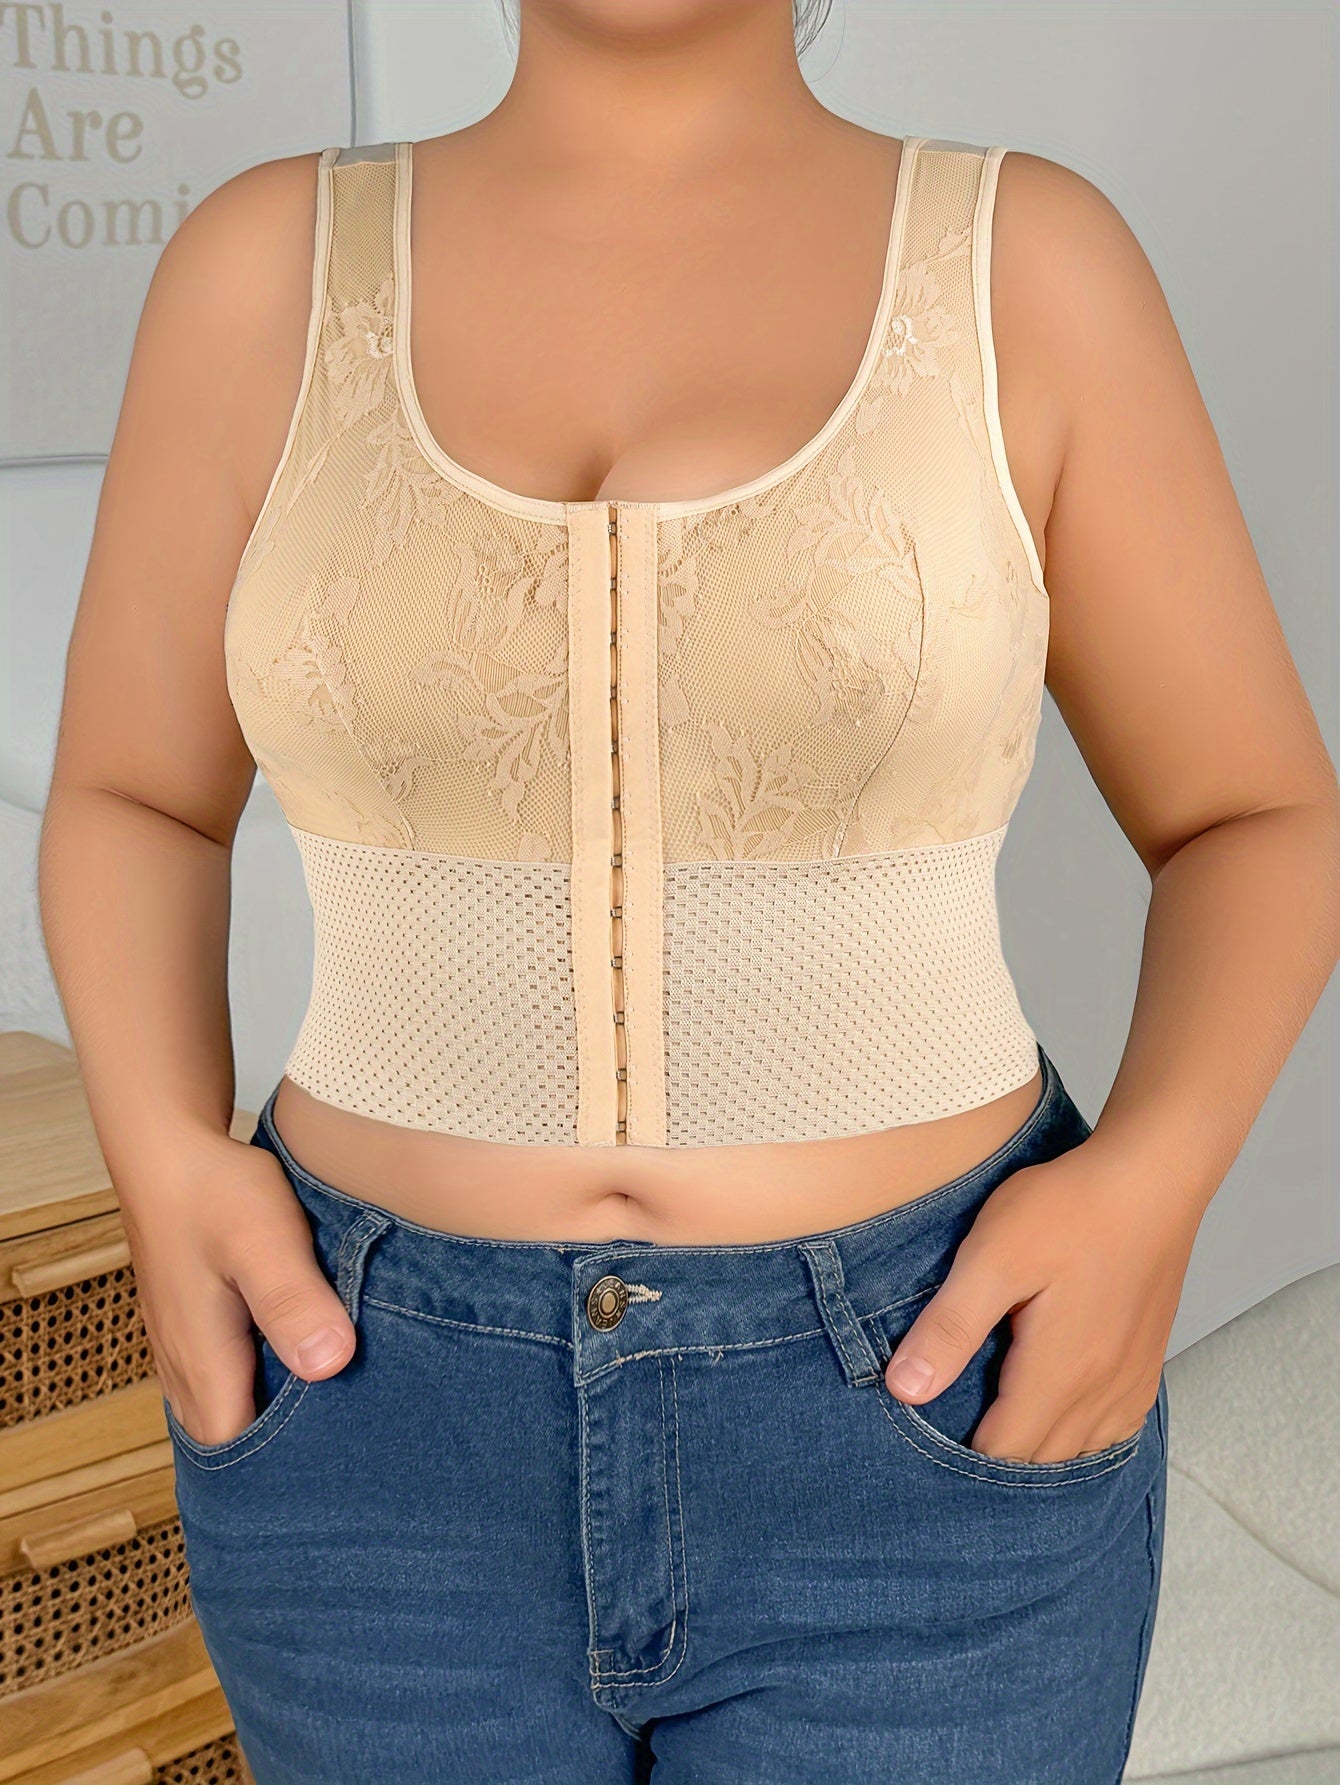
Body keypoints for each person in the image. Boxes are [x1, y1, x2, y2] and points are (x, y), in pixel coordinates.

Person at [36, 1, 1340, 1781]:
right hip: (367, 1429)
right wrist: (163, 1165)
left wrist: (1153, 1189)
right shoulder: (260, 275)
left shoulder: (1026, 267)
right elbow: (132, 798)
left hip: (926, 1399)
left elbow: (1256, 814)